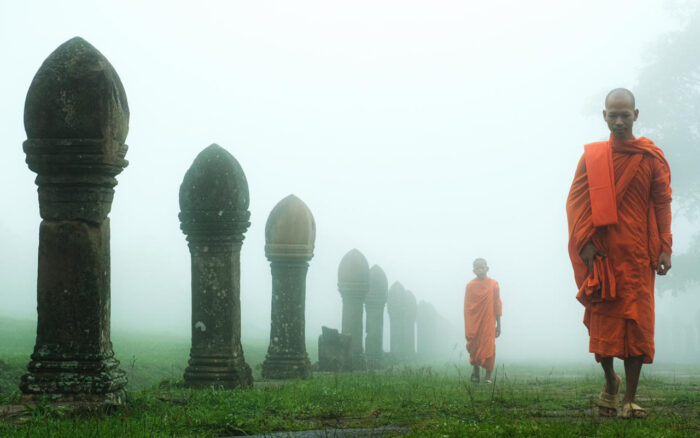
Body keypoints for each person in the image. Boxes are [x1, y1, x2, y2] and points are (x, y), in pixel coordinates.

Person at [566, 88, 672, 418]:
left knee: (637, 326)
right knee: (606, 324)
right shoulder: (593, 158)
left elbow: (662, 202)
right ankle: (610, 380)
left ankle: (629, 398)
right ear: (604, 116)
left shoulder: (650, 157)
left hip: (639, 256)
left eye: (625, 114)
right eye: (613, 114)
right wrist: (584, 245)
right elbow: (576, 204)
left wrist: (665, 246)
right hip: (604, 255)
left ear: (636, 115)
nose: (619, 120)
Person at [463, 258, 502, 384]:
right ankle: (475, 372)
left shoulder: (493, 284)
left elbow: (497, 304)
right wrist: (469, 323)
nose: (480, 270)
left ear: (487, 268)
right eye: (477, 268)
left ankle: (488, 376)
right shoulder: (470, 286)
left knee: (489, 346)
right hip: (474, 321)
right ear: (474, 270)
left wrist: (499, 324)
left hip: (488, 322)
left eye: (482, 267)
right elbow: (467, 306)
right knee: (474, 345)